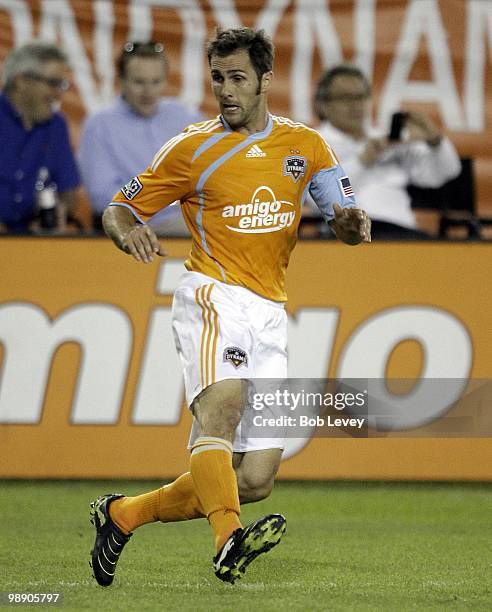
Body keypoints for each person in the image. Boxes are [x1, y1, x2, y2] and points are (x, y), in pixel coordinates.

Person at [89, 27, 370, 587]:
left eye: (238, 77)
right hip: (211, 295)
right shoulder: (192, 148)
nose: (226, 90)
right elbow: (119, 207)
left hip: (269, 311)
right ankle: (227, 543)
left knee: (256, 479)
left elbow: (343, 212)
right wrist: (126, 232)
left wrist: (348, 223)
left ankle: (123, 515)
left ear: (267, 80)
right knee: (219, 411)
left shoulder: (306, 145)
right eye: (218, 78)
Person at [312, 64, 462, 239]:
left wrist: (435, 140)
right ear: (322, 104)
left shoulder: (388, 139)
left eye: (361, 97)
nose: (356, 105)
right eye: (346, 98)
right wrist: (364, 159)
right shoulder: (313, 142)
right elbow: (320, 200)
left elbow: (445, 172)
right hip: (347, 237)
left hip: (403, 234)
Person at [78, 41, 202, 233]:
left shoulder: (186, 117)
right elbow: (102, 197)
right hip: (137, 227)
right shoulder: (99, 126)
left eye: (156, 82)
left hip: (193, 218)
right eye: (139, 82)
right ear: (121, 81)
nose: (148, 92)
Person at [0, 41, 80, 233]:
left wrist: (59, 212)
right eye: (53, 83)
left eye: (61, 85)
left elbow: (69, 192)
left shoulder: (57, 125)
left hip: (35, 241)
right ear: (21, 81)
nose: (59, 94)